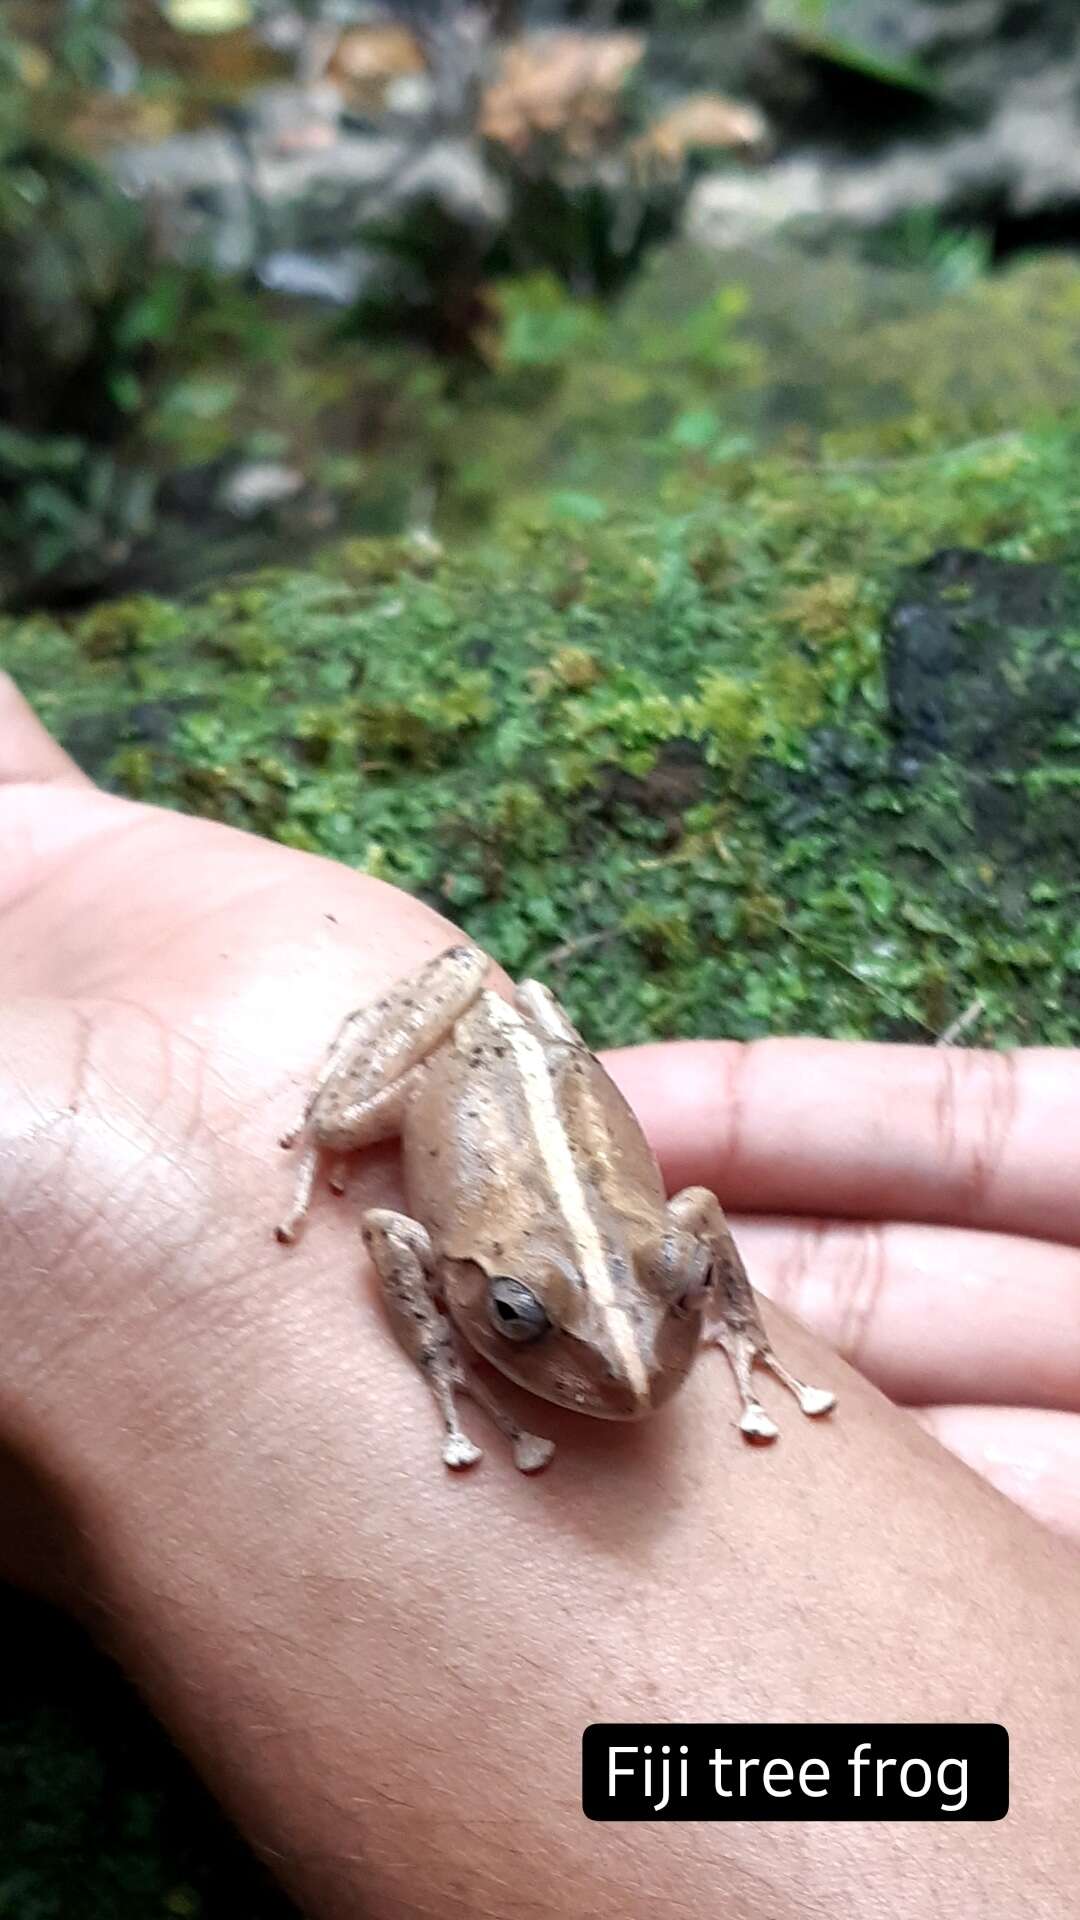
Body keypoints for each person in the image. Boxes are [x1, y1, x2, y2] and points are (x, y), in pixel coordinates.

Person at [1, 669, 1077, 1919]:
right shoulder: (456, 1261)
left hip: (548, 1086)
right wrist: (441, 1358)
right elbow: (398, 1234)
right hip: (464, 1075)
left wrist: (723, 1313)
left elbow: (692, 1218)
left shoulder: (673, 1252)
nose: (627, 1376)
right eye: (517, 1321)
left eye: (677, 1296)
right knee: (346, 1128)